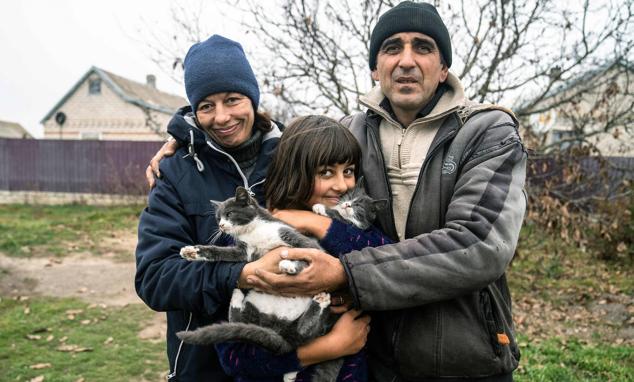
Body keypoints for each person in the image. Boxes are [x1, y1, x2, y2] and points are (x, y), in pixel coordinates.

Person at [147, 3, 527, 381]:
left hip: (459, 359)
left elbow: (478, 245)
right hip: (368, 357)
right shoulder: (353, 131)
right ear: (374, 68)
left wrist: (340, 268)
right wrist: (180, 144)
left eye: (423, 47)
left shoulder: (485, 132)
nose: (407, 61)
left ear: (444, 67)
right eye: (392, 48)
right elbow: (155, 275)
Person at [136, 35, 375, 381]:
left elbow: (347, 224)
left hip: (300, 359)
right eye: (206, 106)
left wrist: (341, 285)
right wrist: (241, 274)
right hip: (206, 367)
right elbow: (155, 278)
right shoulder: (175, 173)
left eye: (232, 99)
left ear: (252, 97)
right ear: (194, 111)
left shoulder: (292, 156)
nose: (221, 117)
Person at [215, 115, 394, 382]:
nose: (342, 184)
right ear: (294, 173)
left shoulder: (354, 232)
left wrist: (318, 223)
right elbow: (234, 358)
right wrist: (330, 346)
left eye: (348, 171)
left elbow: (392, 261)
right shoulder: (257, 238)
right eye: (326, 172)